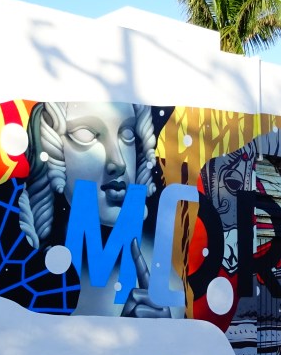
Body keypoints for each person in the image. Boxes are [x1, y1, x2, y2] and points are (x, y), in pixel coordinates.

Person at [17, 100, 174, 318]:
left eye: (127, 134)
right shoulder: (16, 263)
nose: (118, 162)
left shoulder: (162, 264)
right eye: (85, 135)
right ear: (48, 146)